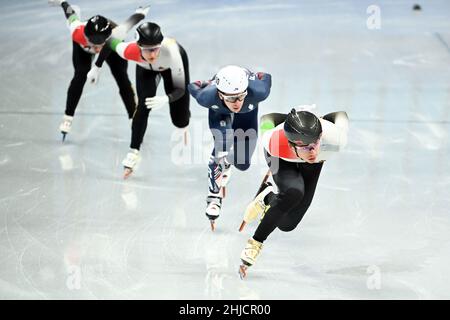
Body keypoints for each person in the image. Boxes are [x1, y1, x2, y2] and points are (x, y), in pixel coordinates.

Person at [238, 108, 349, 278]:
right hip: (281, 158)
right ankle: (256, 242)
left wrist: (324, 125)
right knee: (294, 192)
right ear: (292, 144)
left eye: (314, 144)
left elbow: (340, 116)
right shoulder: (273, 142)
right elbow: (267, 118)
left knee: (287, 224)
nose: (312, 151)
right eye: (306, 147)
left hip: (313, 159)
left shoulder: (335, 138)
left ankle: (268, 197)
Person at [93, 22, 191, 178]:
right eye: (147, 50)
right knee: (143, 107)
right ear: (138, 46)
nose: (152, 55)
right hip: (146, 70)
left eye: (155, 49)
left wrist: (167, 98)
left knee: (179, 116)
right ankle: (133, 151)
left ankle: (183, 129)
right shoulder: (130, 50)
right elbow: (110, 42)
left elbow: (181, 89)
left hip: (171, 67)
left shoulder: (172, 53)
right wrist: (96, 67)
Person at [188, 65, 272, 230]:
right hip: (218, 111)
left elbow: (266, 76)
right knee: (223, 142)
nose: (237, 103)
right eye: (232, 98)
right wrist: (207, 82)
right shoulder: (207, 96)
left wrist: (256, 76)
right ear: (220, 93)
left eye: (240, 97)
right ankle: (213, 197)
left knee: (242, 163)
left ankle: (226, 162)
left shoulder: (258, 92)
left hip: (248, 114)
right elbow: (193, 86)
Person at [48, 0, 145, 141]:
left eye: (101, 45)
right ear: (86, 38)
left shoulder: (116, 35)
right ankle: (68, 117)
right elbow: (71, 15)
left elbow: (132, 20)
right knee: (80, 75)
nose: (98, 50)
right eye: (94, 45)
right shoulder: (77, 31)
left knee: (122, 78)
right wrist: (63, 2)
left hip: (112, 47)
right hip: (83, 49)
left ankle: (133, 117)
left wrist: (140, 14)